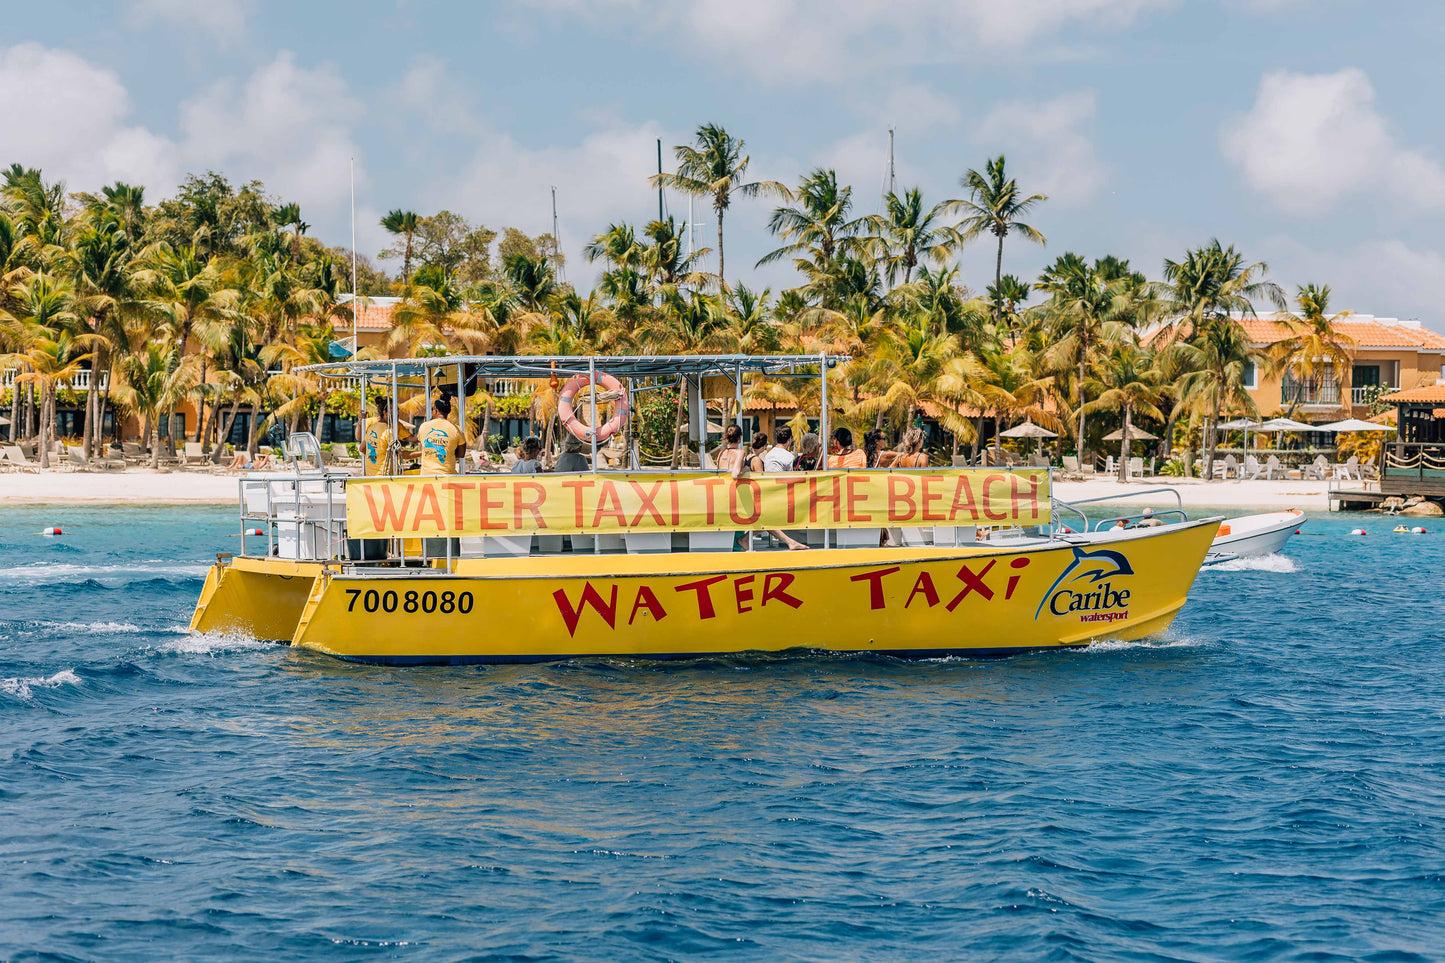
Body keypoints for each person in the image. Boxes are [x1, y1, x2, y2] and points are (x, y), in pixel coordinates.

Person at [415, 395, 464, 475]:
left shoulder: (424, 426)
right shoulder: (457, 429)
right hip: (448, 477)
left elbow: (422, 443)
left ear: (435, 410)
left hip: (427, 477)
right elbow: (461, 454)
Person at [362, 396, 395, 476]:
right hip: (383, 475)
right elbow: (399, 453)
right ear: (385, 412)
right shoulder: (388, 431)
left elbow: (362, 448)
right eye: (395, 410)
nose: (397, 413)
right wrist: (422, 453)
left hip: (370, 475)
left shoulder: (371, 427)